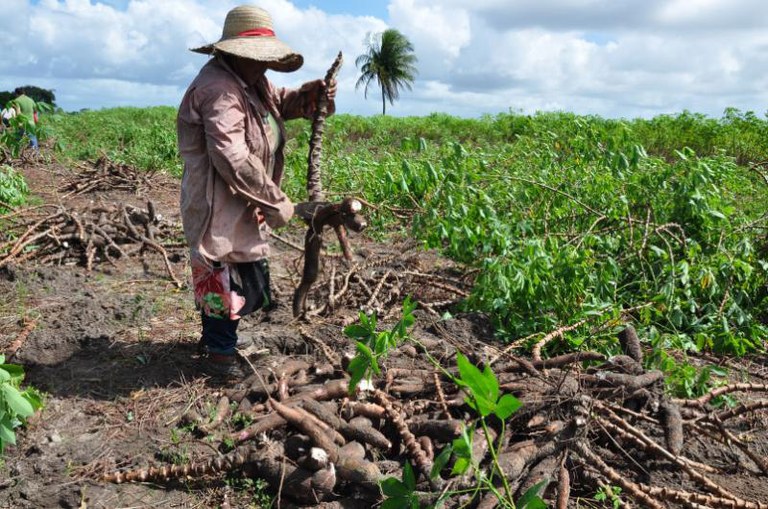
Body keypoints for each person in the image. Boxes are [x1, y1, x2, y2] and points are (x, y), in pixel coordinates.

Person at [177, 4, 336, 378]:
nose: (264, 66)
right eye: (257, 58)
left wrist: (309, 95)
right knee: (222, 271)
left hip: (242, 199)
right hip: (217, 199)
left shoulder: (251, 81)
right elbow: (230, 155)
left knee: (241, 272)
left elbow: (279, 102)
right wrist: (277, 201)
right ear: (233, 52)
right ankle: (220, 357)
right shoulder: (218, 89)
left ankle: (220, 341)